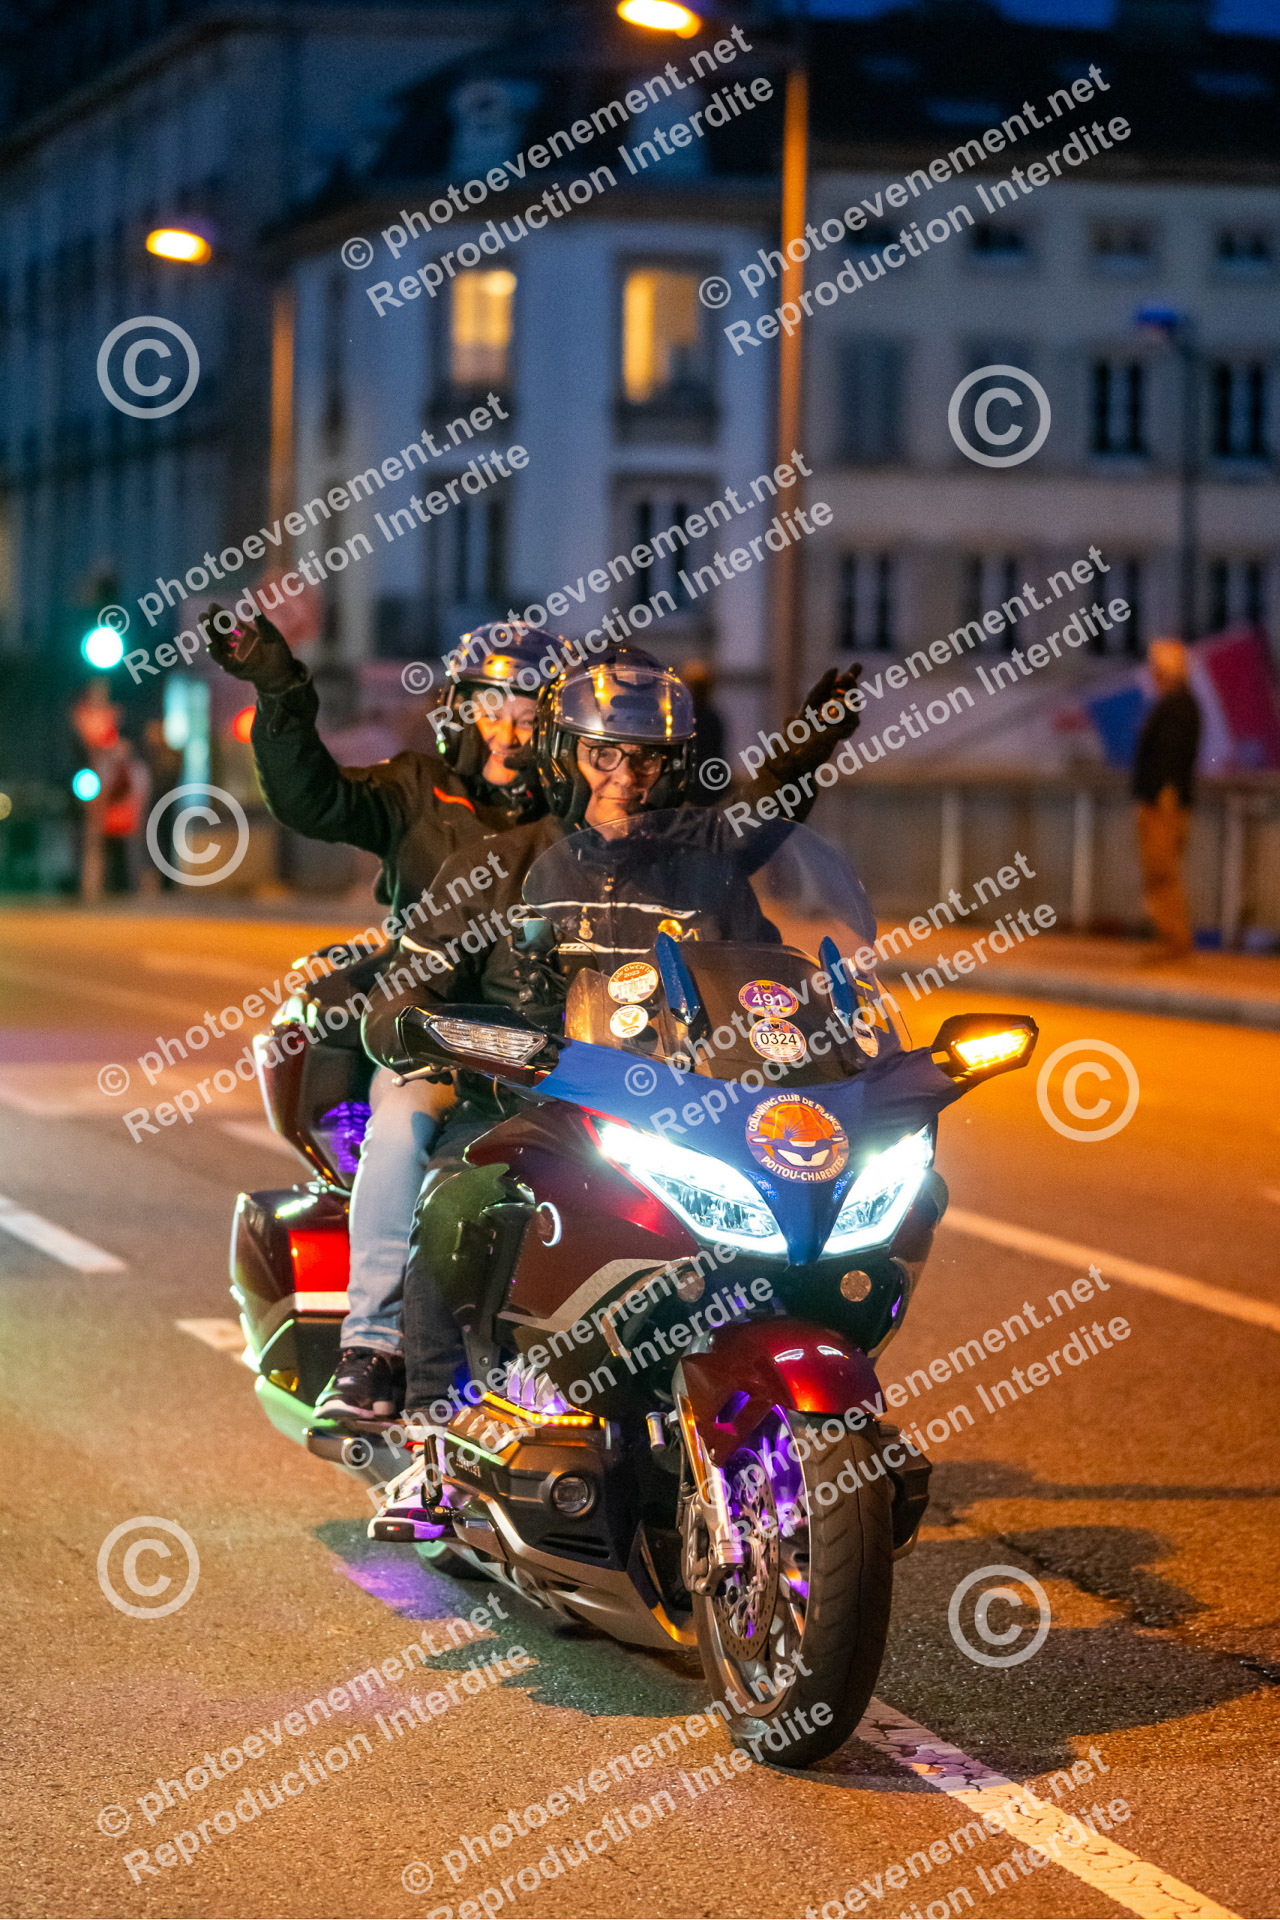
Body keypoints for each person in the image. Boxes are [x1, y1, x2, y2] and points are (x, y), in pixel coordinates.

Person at [361, 648, 863, 1422]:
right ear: (562, 755)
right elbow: (407, 987)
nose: (627, 778)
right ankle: (431, 1421)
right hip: (524, 1109)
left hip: (677, 1116)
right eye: (604, 755)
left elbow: (769, 986)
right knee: (456, 1205)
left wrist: (831, 1037)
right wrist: (417, 1022)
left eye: (648, 759)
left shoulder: (704, 878)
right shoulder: (496, 868)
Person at [202, 605, 558, 1419]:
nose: (507, 731)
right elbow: (311, 800)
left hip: (557, 1037)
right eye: (492, 709)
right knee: (399, 1128)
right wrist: (281, 691)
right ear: (462, 712)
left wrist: (798, 763)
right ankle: (372, 1347)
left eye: (528, 713)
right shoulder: (414, 789)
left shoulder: (576, 812)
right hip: (430, 1028)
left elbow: (693, 846)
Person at [1133, 637, 1201, 963]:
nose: (1153, 674)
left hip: (1164, 803)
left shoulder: (1177, 705)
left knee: (1162, 871)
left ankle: (1174, 941)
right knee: (1158, 872)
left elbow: (1173, 753)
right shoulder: (1175, 703)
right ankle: (1171, 938)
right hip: (1161, 800)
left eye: (1157, 668)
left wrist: (1166, 793)